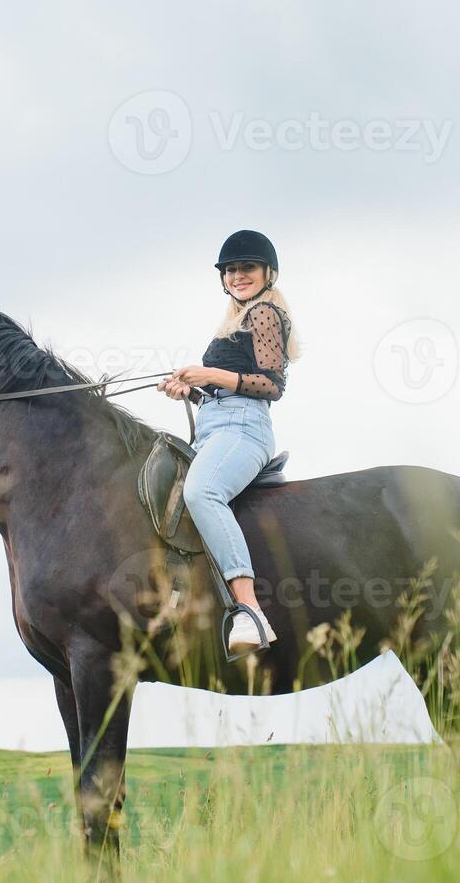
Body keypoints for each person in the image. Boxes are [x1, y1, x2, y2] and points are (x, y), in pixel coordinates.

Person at [157, 229, 300, 654]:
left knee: (202, 491)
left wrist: (209, 375)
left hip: (244, 428)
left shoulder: (265, 315)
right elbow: (223, 387)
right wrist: (191, 391)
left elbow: (271, 385)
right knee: (168, 497)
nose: (239, 276)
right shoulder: (231, 323)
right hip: (214, 424)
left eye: (247, 268)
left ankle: (250, 611)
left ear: (267, 273)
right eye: (232, 270)